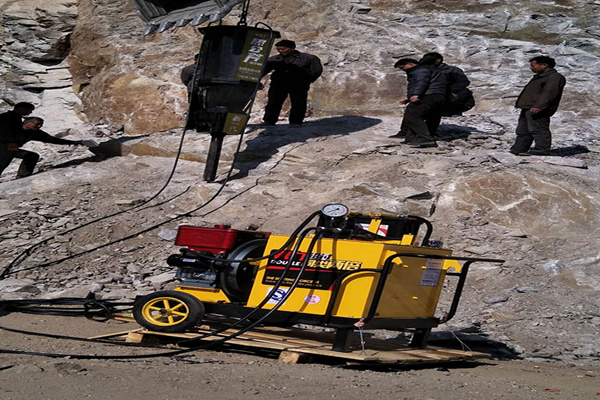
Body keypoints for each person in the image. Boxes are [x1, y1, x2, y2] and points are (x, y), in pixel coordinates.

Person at [510, 56, 566, 156]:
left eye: (533, 66)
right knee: (523, 130)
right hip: (528, 107)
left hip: (539, 108)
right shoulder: (541, 76)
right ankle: (519, 149)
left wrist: (539, 106)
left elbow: (549, 93)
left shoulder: (554, 77)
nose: (531, 68)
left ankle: (542, 150)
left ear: (544, 65)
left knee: (538, 129)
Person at [261, 40, 323, 127]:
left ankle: (296, 122)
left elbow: (316, 70)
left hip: (298, 84)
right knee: (273, 102)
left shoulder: (309, 58)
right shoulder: (274, 59)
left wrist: (307, 80)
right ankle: (269, 121)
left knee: (298, 103)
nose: (281, 51)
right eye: (279, 49)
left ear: (292, 48)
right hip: (279, 84)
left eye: (283, 49)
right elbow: (263, 71)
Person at [0, 116, 84, 178]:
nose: (39, 126)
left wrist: (73, 142)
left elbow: (52, 140)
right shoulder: (11, 127)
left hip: (10, 149)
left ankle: (23, 176)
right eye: (37, 124)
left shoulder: (35, 133)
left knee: (31, 156)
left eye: (41, 125)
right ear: (27, 123)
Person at [391, 58, 446, 148]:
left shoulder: (420, 70)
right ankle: (412, 138)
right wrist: (409, 98)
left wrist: (416, 94)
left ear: (411, 64)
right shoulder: (431, 69)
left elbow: (421, 82)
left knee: (412, 114)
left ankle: (425, 139)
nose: (403, 70)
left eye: (403, 67)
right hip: (438, 95)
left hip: (429, 95)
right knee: (430, 116)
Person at [419, 52, 475, 136]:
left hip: (448, 97)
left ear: (439, 60)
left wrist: (450, 91)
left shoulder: (452, 70)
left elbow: (463, 82)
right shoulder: (426, 71)